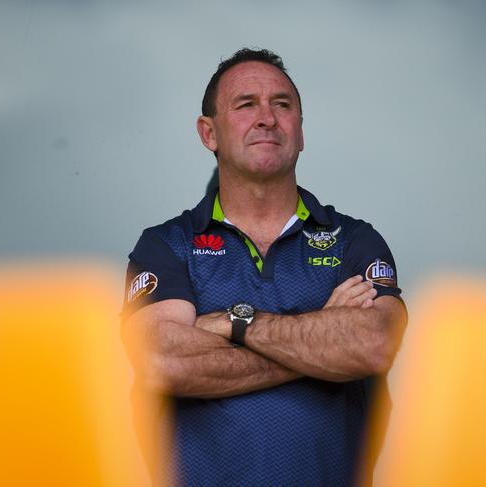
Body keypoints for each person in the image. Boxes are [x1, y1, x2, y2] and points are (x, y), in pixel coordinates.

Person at [122, 48, 407, 486]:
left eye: (282, 104)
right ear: (208, 133)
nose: (267, 118)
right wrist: (323, 339)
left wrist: (237, 322)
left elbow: (372, 345)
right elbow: (164, 360)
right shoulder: (166, 244)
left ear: (301, 131)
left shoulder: (354, 239)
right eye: (245, 104)